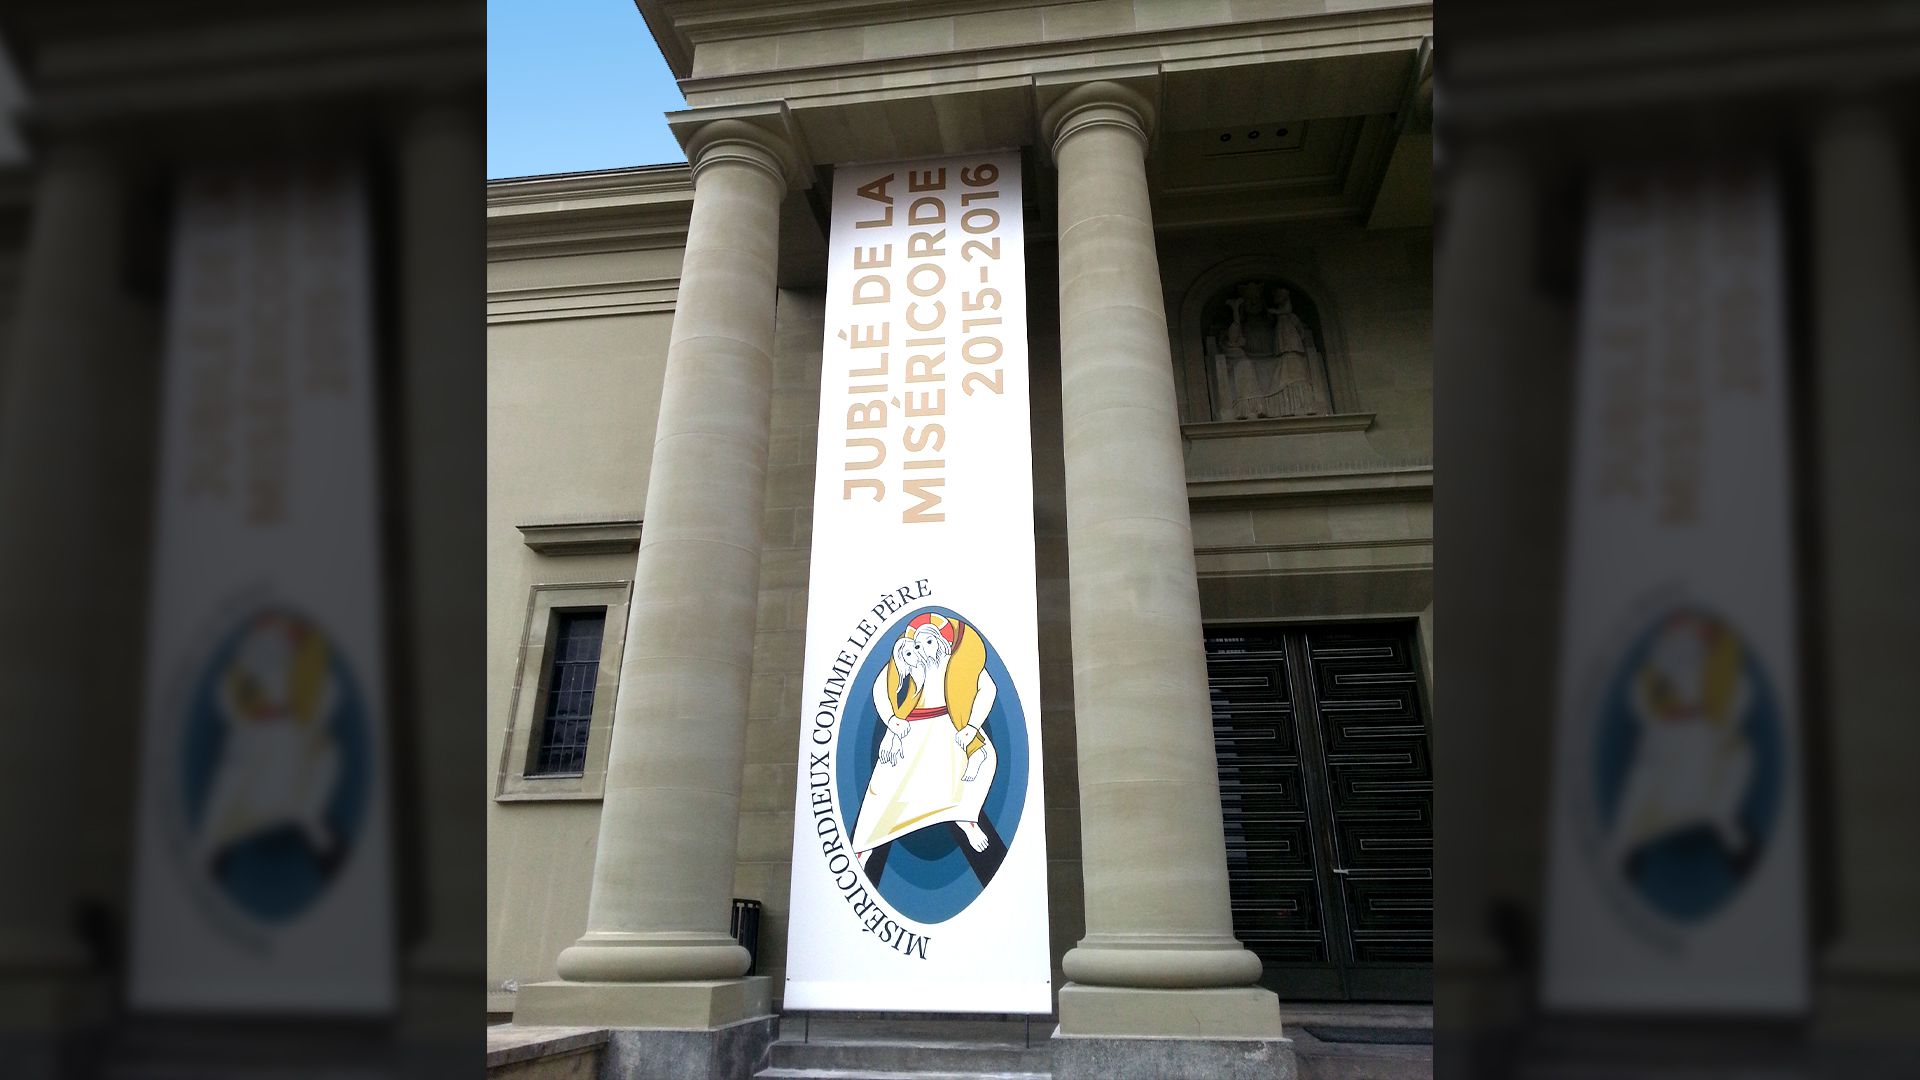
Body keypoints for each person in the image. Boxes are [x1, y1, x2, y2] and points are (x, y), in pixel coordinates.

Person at [851, 612, 999, 860]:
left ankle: (967, 820)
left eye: (929, 641)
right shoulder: (912, 661)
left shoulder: (959, 661)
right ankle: (865, 847)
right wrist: (892, 721)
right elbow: (881, 687)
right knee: (884, 785)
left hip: (953, 724)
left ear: (941, 640)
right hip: (914, 728)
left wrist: (972, 726)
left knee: (978, 763)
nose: (923, 649)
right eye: (918, 644)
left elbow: (988, 688)